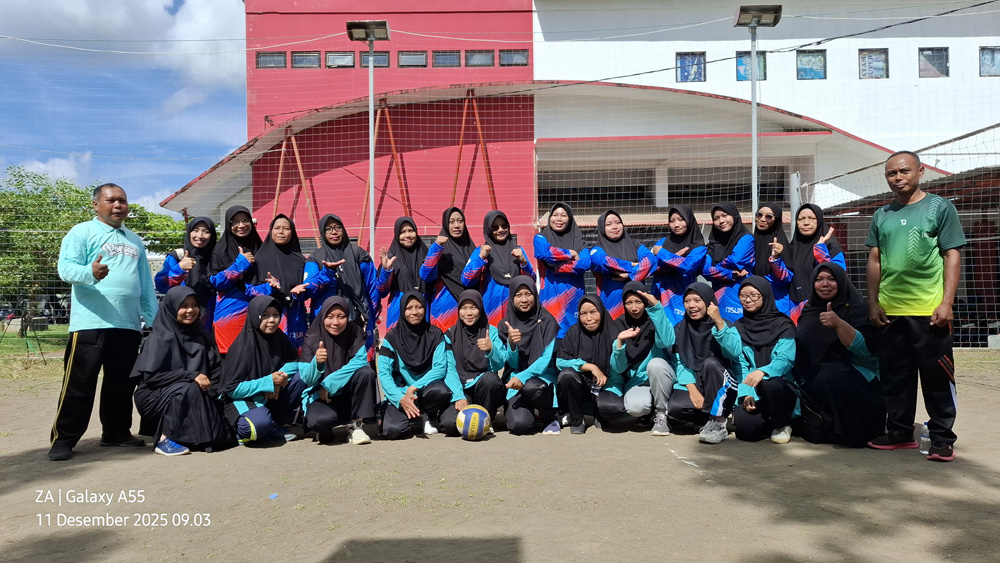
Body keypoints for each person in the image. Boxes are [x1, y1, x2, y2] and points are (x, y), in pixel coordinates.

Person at [866, 151, 965, 462]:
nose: (898, 178)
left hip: (929, 311)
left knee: (936, 376)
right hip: (890, 310)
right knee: (895, 375)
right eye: (891, 173)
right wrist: (873, 302)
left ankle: (942, 438)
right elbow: (875, 259)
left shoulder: (940, 208)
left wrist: (946, 303)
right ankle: (899, 432)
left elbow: (952, 255)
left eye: (904, 171)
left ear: (920, 172)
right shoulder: (881, 214)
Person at [49, 183, 158, 462]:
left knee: (121, 383)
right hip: (90, 323)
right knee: (79, 384)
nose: (118, 205)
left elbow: (145, 285)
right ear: (96, 205)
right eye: (111, 200)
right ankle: (64, 439)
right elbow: (65, 268)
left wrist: (155, 320)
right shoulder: (82, 232)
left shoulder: (134, 240)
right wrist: (90, 272)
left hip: (128, 324)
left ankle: (116, 433)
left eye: (123, 200)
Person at [131, 287, 233, 456]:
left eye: (194, 305)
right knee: (187, 387)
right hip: (154, 395)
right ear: (171, 308)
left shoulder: (202, 335)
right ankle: (164, 438)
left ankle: (189, 437)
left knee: (221, 438)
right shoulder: (159, 338)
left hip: (195, 392)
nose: (190, 310)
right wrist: (191, 375)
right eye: (184, 306)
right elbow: (152, 378)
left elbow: (215, 370)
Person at [795, 263, 885, 448]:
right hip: (818, 375)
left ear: (841, 282)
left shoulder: (858, 309)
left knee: (829, 376)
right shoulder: (809, 309)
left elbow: (867, 352)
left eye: (831, 279)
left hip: (859, 374)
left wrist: (839, 324)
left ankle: (852, 433)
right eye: (819, 280)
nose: (824, 284)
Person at [378, 291, 465, 439]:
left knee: (441, 391)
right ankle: (415, 417)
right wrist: (401, 398)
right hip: (402, 393)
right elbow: (384, 374)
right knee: (393, 430)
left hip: (428, 391)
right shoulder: (391, 338)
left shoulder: (435, 334)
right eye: (409, 308)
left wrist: (414, 387)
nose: (415, 312)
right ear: (402, 310)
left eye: (419, 307)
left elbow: (440, 368)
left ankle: (429, 415)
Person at [219, 296, 306, 445]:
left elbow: (295, 361)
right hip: (244, 399)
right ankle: (253, 429)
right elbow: (232, 390)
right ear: (255, 316)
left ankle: (277, 423)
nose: (272, 320)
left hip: (271, 396)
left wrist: (280, 378)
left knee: (301, 376)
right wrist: (268, 382)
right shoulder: (242, 347)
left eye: (275, 315)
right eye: (265, 315)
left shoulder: (279, 337)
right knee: (256, 426)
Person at [247, 214, 338, 350]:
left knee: (295, 355)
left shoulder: (300, 260)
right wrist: (268, 287)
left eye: (286, 228)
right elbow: (249, 290)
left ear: (292, 232)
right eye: (277, 228)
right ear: (271, 231)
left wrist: (300, 293)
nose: (281, 232)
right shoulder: (258, 260)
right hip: (267, 316)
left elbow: (309, 288)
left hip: (295, 316)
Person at [298, 297, 378, 445]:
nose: (336, 322)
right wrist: (317, 363)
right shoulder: (312, 337)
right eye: (330, 317)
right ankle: (325, 428)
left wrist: (329, 384)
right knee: (318, 422)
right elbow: (306, 379)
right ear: (323, 317)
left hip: (347, 394)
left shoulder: (354, 331)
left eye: (341, 317)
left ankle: (356, 426)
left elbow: (360, 361)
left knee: (366, 373)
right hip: (320, 397)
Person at [668, 283, 741, 444]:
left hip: (723, 383)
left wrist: (719, 322)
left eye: (697, 300)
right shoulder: (680, 329)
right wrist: (692, 389)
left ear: (709, 302)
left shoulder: (725, 324)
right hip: (697, 381)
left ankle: (718, 421)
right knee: (677, 407)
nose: (691, 305)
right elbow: (680, 362)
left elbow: (734, 351)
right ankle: (706, 418)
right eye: (687, 301)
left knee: (711, 363)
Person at [732, 277, 799, 444]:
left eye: (754, 295)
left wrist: (762, 372)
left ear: (765, 295)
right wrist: (747, 393)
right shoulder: (739, 327)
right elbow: (741, 365)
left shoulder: (783, 325)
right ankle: (769, 422)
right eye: (743, 295)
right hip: (755, 392)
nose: (748, 300)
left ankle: (783, 424)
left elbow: (785, 360)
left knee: (770, 383)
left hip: (781, 388)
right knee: (746, 430)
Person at [306, 214, 380, 357]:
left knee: (359, 364)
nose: (334, 232)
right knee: (330, 362)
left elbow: (372, 289)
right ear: (322, 232)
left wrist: (371, 317)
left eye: (337, 227)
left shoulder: (359, 254)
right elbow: (310, 290)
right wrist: (327, 272)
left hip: (356, 321)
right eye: (328, 229)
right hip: (327, 324)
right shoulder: (316, 258)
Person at [609, 282, 677, 435]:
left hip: (662, 377)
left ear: (645, 301)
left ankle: (661, 414)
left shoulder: (655, 318)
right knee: (636, 407)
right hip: (639, 381)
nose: (634, 308)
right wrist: (620, 342)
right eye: (629, 303)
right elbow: (619, 368)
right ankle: (648, 413)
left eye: (638, 302)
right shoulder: (619, 324)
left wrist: (657, 308)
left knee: (655, 364)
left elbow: (667, 341)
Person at [498, 276, 562, 435]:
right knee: (519, 426)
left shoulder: (547, 321)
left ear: (535, 294)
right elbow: (513, 364)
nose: (524, 299)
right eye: (518, 295)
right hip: (515, 378)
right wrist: (512, 344)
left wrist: (523, 377)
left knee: (533, 387)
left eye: (528, 294)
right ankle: (530, 411)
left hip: (542, 377)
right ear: (512, 298)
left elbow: (545, 360)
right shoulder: (505, 324)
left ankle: (550, 417)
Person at [555, 295, 619, 434]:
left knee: (613, 408)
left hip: (605, 386)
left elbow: (620, 367)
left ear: (601, 312)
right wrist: (590, 366)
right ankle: (577, 419)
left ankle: (600, 414)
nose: (588, 318)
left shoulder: (613, 332)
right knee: (566, 375)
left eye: (593, 312)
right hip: (580, 387)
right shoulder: (574, 332)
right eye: (583, 313)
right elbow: (560, 361)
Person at [462, 210, 536, 325]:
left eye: (504, 226)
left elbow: (531, 280)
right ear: (488, 230)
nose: (500, 230)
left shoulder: (518, 250)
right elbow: (466, 280)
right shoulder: (481, 251)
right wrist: (481, 258)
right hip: (491, 311)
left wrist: (523, 262)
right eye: (495, 227)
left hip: (516, 311)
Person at [445, 290, 507, 424]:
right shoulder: (450, 335)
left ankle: (487, 418)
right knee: (450, 424)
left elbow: (500, 363)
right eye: (464, 308)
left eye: (473, 308)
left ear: (480, 309)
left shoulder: (491, 331)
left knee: (491, 380)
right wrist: (459, 396)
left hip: (483, 388)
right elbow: (449, 369)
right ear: (458, 310)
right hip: (460, 389)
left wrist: (491, 349)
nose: (468, 313)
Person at [210, 205, 263, 354]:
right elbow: (216, 282)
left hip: (259, 313)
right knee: (231, 357)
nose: (241, 225)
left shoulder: (261, 248)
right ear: (228, 224)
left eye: (245, 220)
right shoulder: (220, 251)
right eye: (235, 221)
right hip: (230, 314)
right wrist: (240, 264)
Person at [778, 204, 846, 320]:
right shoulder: (792, 249)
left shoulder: (831, 247)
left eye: (812, 218)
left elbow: (838, 275)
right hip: (795, 308)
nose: (806, 223)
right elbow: (785, 278)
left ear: (819, 220)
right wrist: (776, 259)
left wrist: (820, 250)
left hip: (825, 309)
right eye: (801, 219)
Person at [533, 202, 591, 337]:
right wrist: (571, 253)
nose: (559, 219)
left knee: (575, 339)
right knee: (551, 341)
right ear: (550, 217)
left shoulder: (579, 242)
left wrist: (556, 267)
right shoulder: (541, 238)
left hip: (574, 303)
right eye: (555, 215)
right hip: (550, 302)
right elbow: (545, 252)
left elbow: (586, 264)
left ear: (570, 219)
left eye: (564, 215)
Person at [649, 205, 708, 325]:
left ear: (689, 220)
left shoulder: (698, 247)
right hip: (659, 295)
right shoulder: (663, 242)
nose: (676, 225)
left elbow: (687, 266)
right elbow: (649, 266)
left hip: (682, 297)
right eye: (672, 221)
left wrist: (662, 253)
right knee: (659, 330)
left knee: (680, 330)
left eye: (681, 220)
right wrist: (675, 259)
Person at [590, 210, 654, 319]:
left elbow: (651, 260)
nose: (614, 227)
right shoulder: (596, 250)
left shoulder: (635, 245)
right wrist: (632, 265)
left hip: (637, 305)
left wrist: (630, 275)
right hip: (611, 307)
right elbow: (605, 262)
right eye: (608, 224)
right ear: (601, 228)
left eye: (618, 222)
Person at [155, 216, 217, 329]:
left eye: (206, 231)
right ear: (189, 232)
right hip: (179, 319)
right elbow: (160, 286)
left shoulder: (218, 258)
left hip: (209, 320)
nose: (200, 235)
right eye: (196, 230)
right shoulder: (178, 256)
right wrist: (179, 269)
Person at [421, 207, 477, 331]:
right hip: (444, 311)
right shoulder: (440, 249)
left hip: (469, 310)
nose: (456, 225)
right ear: (446, 225)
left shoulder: (472, 250)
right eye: (451, 222)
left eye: (460, 221)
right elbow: (425, 275)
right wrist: (437, 248)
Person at [702, 203, 755, 322]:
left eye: (725, 215)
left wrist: (715, 269)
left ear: (734, 215)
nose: (721, 221)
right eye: (716, 218)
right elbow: (704, 270)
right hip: (719, 300)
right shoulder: (713, 244)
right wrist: (731, 274)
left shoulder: (746, 238)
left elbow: (736, 260)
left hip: (741, 298)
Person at [378, 216, 429, 332]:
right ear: (396, 235)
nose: (408, 235)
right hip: (398, 308)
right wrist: (386, 270)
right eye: (402, 232)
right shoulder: (391, 259)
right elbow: (382, 291)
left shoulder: (426, 255)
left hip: (422, 307)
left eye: (411, 231)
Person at [750, 203, 794, 314]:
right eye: (759, 214)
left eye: (769, 216)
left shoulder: (781, 246)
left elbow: (784, 280)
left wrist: (776, 258)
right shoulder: (750, 243)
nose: (762, 219)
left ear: (776, 220)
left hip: (776, 305)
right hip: (752, 303)